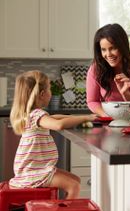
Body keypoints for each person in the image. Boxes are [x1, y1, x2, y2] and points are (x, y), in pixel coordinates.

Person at [9, 70, 97, 199]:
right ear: (43, 94)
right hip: (34, 172)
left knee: (76, 180)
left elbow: (54, 117)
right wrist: (86, 117)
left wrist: (76, 117)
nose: (51, 92)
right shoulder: (37, 115)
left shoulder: (33, 114)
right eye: (50, 88)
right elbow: (58, 125)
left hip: (35, 168)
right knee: (74, 186)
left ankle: (61, 206)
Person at [86, 23, 130, 116]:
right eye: (103, 49)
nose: (108, 54)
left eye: (113, 48)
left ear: (122, 46)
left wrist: (125, 93)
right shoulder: (95, 69)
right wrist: (108, 116)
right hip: (109, 120)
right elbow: (92, 101)